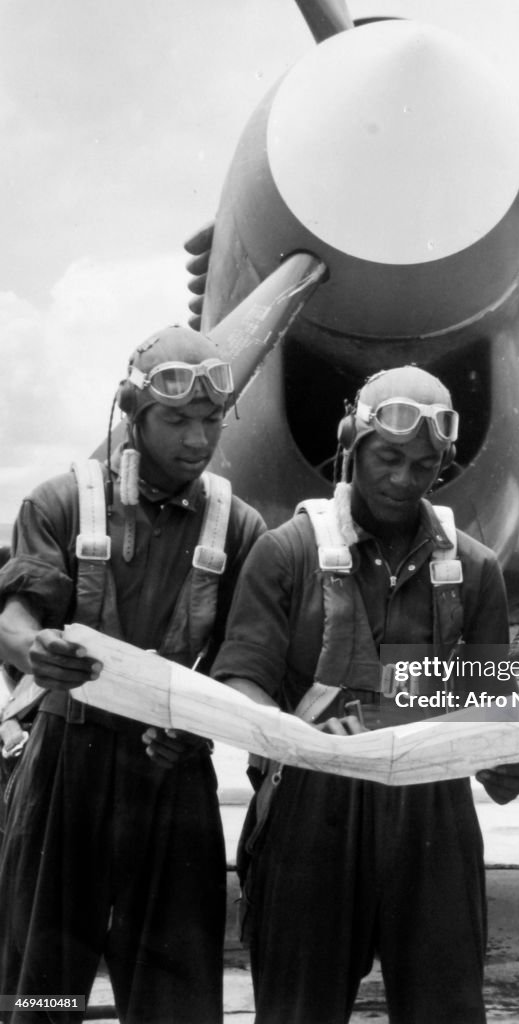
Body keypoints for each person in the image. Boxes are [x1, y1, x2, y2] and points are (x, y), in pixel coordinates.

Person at [212, 365, 519, 1024]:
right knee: (299, 1011)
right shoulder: (287, 554)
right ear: (351, 446)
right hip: (310, 808)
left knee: (446, 1011)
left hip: (433, 819)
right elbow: (240, 674)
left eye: (424, 463)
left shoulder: (474, 568)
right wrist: (282, 731)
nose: (404, 477)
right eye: (387, 456)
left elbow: (493, 699)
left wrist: (508, 758)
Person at [0, 325, 265, 1024]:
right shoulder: (60, 502)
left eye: (210, 420)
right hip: (65, 769)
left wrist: (204, 729)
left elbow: (246, 663)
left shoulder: (238, 527)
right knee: (42, 989)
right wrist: (35, 653)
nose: (196, 439)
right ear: (132, 412)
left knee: (175, 1000)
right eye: (176, 418)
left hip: (172, 774)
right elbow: (14, 616)